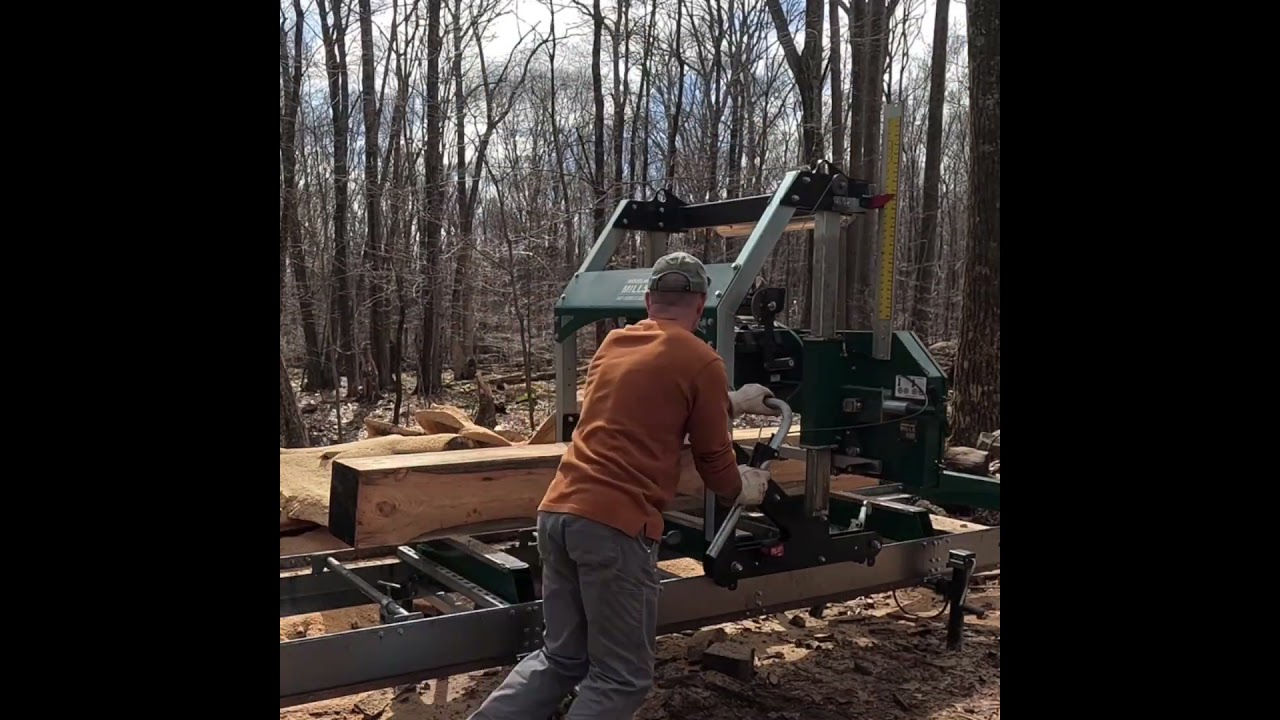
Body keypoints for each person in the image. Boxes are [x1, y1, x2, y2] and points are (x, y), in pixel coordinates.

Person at [468, 252, 780, 720]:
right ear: (701, 306)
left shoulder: (613, 346)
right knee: (622, 680)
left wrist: (728, 402)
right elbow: (713, 458)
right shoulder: (702, 360)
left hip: (558, 513)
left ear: (650, 302)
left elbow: (638, 408)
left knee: (561, 659)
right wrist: (743, 489)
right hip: (614, 528)